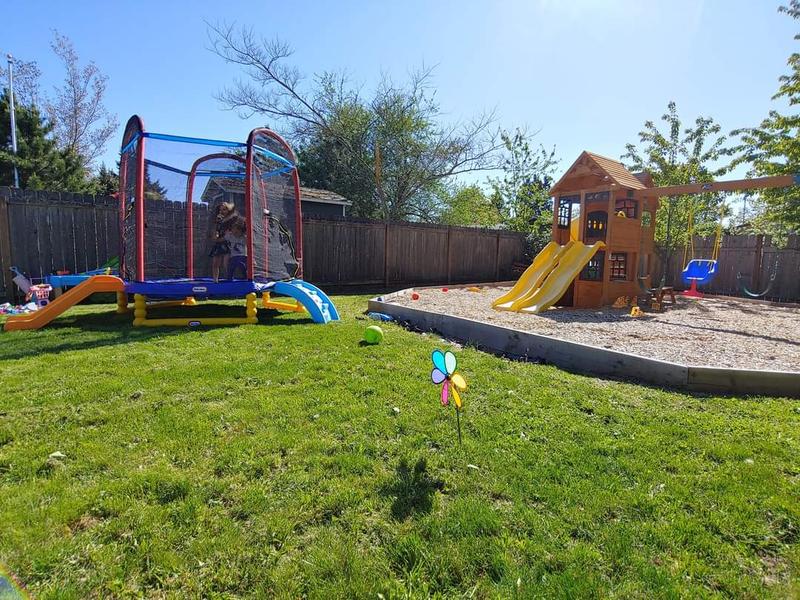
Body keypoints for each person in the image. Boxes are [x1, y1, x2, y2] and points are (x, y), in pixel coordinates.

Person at [209, 201, 237, 282]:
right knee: (215, 263)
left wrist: (222, 237)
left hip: (228, 243)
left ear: (228, 211)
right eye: (220, 210)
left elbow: (230, 233)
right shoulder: (218, 221)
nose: (222, 212)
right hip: (219, 243)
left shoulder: (231, 220)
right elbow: (215, 233)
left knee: (226, 263)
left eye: (224, 209)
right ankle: (215, 280)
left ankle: (230, 279)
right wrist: (216, 234)